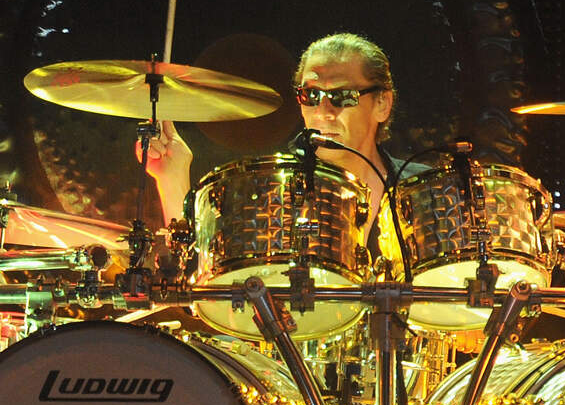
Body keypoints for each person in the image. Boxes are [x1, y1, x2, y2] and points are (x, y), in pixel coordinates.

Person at [139, 32, 419, 248]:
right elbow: (207, 279)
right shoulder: (270, 192)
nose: (323, 112)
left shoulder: (426, 192)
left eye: (342, 96)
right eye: (311, 96)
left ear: (382, 104)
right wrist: (172, 177)